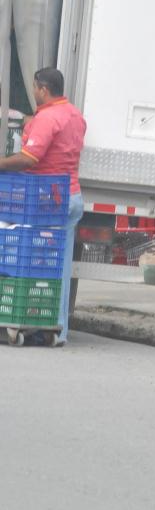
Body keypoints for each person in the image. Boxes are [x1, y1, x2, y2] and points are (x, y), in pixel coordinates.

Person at [0, 68, 86, 347]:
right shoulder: (75, 115)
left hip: (48, 201)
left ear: (43, 89)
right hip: (71, 195)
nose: (34, 92)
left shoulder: (47, 117)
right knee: (59, 268)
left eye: (35, 88)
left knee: (33, 262)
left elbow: (29, 158)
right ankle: (56, 329)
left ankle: (29, 321)